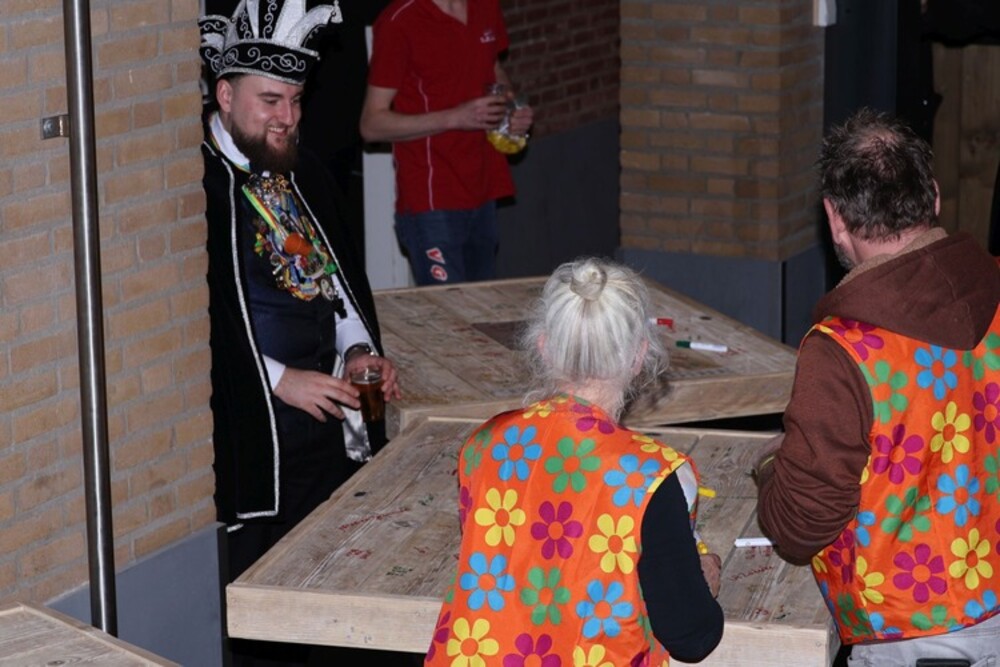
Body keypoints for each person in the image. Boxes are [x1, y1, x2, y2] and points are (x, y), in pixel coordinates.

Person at [754, 108, 1000, 665]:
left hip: (916, 639)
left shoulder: (843, 350)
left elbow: (800, 526)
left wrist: (771, 466)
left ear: (834, 218)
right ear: (934, 197)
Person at [199, 1, 401, 663]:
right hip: (258, 437)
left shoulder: (303, 170)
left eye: (295, 99)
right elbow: (196, 325)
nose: (286, 117)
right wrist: (279, 380)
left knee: (338, 602)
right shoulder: (196, 189)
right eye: (269, 101)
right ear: (225, 95)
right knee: (266, 625)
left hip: (329, 434)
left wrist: (359, 349)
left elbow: (334, 284)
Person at [424, 258, 724, 666]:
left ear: (544, 347)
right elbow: (691, 638)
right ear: (638, 357)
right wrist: (704, 578)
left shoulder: (485, 445)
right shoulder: (649, 478)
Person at [359, 0, 534, 285]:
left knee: (483, 306)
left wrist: (511, 110)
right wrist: (455, 118)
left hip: (484, 188)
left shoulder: (485, 6)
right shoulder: (400, 21)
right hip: (432, 199)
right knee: (448, 308)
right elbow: (371, 124)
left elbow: (493, 69)